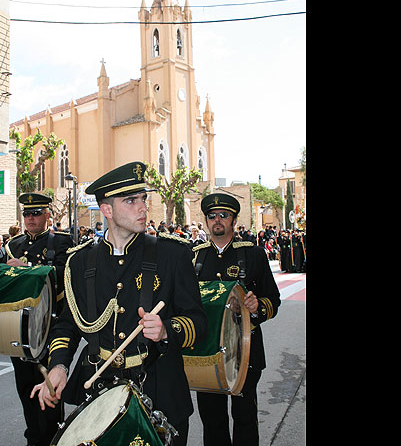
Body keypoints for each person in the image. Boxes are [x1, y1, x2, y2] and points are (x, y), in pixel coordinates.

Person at [31, 162, 208, 446]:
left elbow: (198, 321)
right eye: (130, 201)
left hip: (159, 389)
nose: (142, 207)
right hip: (100, 392)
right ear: (107, 210)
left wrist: (166, 330)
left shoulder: (172, 255)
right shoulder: (79, 262)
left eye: (143, 199)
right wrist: (59, 367)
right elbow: (68, 324)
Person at [192, 193, 281, 446]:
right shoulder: (194, 257)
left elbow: (273, 300)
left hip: (246, 350)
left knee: (244, 417)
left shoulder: (254, 255)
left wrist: (256, 308)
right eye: (212, 216)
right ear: (206, 221)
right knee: (212, 420)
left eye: (224, 215)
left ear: (233, 220)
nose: (217, 220)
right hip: (205, 352)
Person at [0, 193, 74, 446]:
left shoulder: (63, 242)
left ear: (47, 215)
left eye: (36, 213)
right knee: (25, 388)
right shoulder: (13, 245)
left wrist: (28, 269)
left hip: (50, 328)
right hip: (19, 330)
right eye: (26, 214)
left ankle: (52, 438)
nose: (30, 218)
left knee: (50, 394)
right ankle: (33, 437)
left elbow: (67, 276)